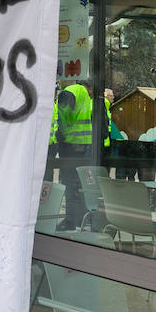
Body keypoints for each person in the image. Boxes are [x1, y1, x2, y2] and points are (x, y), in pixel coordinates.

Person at [53, 82, 94, 229]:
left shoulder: (68, 92)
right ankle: (82, 220)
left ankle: (71, 221)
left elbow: (64, 119)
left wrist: (60, 137)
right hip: (84, 144)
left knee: (69, 184)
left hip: (70, 145)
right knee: (80, 184)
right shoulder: (84, 93)